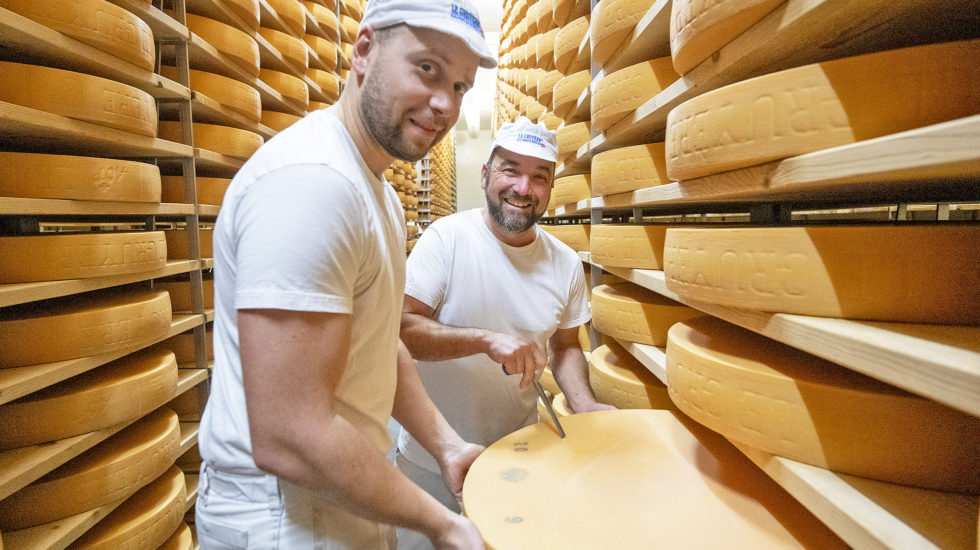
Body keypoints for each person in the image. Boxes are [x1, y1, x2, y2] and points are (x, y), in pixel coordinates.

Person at [194, 1, 498, 548]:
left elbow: (379, 344)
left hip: (339, 490)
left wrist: (447, 445)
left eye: (459, 87)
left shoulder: (377, 191)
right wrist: (442, 524)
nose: (443, 104)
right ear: (363, 51)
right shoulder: (314, 183)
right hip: (283, 515)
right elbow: (290, 435)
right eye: (427, 68)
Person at [395, 118, 616, 547]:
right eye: (510, 169)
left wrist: (583, 403)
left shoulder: (566, 263)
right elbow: (399, 329)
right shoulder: (447, 239)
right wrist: (485, 340)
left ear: (551, 189)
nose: (522, 188)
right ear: (485, 174)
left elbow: (566, 347)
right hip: (431, 457)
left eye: (539, 177)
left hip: (517, 455)